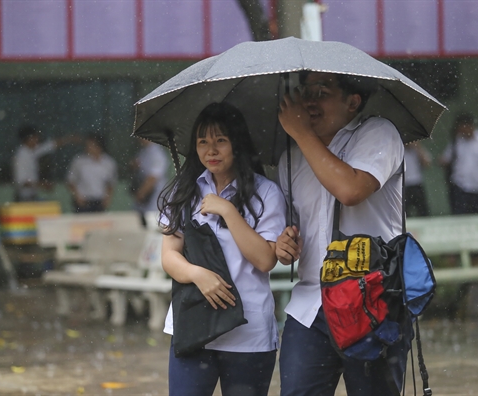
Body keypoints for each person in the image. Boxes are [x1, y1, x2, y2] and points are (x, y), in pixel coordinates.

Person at [275, 71, 408, 395]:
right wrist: (283, 243)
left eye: (322, 91)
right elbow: (291, 225)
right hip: (310, 306)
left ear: (353, 102)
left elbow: (350, 189)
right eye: (305, 91)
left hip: (371, 302)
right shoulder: (290, 159)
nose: (309, 100)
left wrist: (302, 133)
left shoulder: (379, 133)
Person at [158, 102, 286, 396]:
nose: (210, 150)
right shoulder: (184, 190)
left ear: (237, 144)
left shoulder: (265, 193)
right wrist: (196, 274)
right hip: (193, 325)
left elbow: (265, 260)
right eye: (202, 142)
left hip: (248, 331)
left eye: (220, 141)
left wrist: (229, 211)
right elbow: (169, 256)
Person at [439, 112, 478, 216]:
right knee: (459, 216)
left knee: (477, 217)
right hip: (459, 185)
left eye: (463, 129)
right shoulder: (456, 141)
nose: (461, 132)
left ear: (469, 126)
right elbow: (445, 159)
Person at [13, 125, 78, 201]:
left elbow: (50, 145)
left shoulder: (31, 151)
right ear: (28, 139)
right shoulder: (21, 157)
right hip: (23, 199)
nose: (37, 139)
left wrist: (69, 139)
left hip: (31, 196)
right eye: (35, 137)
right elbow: (22, 182)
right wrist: (42, 185)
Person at [66, 133, 118, 213]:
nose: (88, 147)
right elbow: (70, 180)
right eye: (87, 145)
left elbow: (111, 183)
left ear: (99, 146)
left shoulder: (108, 162)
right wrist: (77, 196)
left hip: (99, 201)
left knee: (100, 224)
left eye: (91, 145)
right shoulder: (79, 161)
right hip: (83, 201)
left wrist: (107, 199)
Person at [131, 140, 169, 227]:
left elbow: (154, 177)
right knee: (138, 220)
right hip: (144, 192)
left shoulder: (156, 152)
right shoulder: (144, 151)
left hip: (154, 192)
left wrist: (141, 192)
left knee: (154, 222)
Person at [404, 141, 432, 216]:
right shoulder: (398, 150)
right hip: (402, 185)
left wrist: (417, 147)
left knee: (423, 211)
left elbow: (427, 163)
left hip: (416, 184)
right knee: (404, 213)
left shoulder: (416, 150)